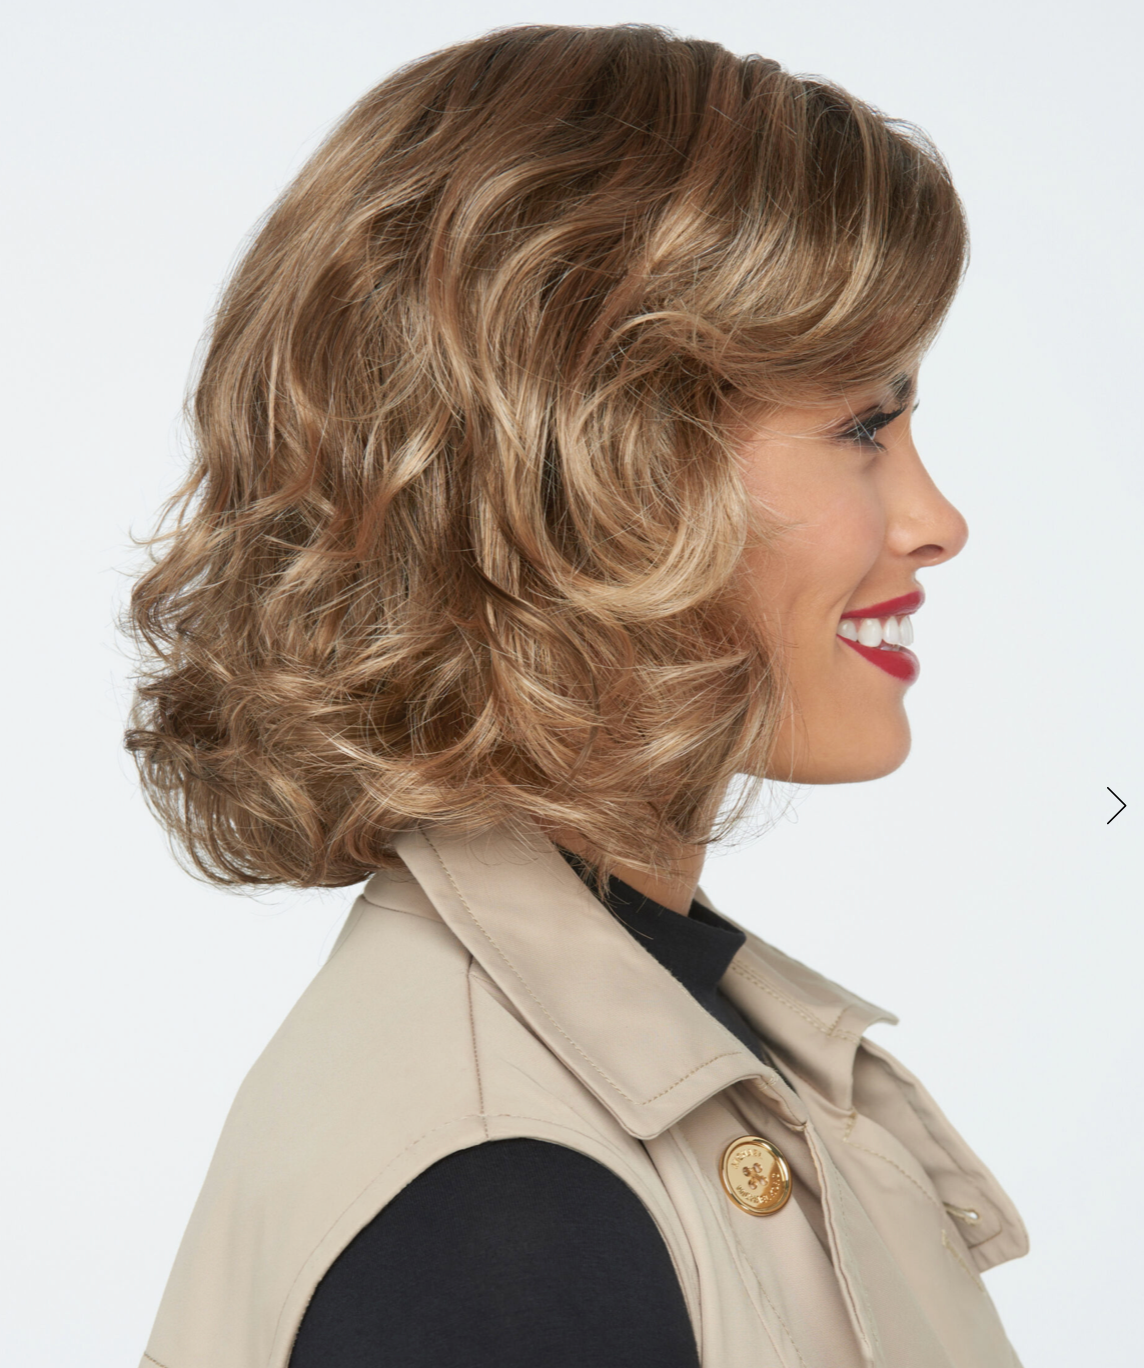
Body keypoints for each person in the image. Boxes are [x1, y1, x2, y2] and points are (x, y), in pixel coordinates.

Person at [125, 23, 1027, 1368]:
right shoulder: (508, 1214)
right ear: (593, 465)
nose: (937, 520)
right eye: (861, 428)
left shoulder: (639, 1070)